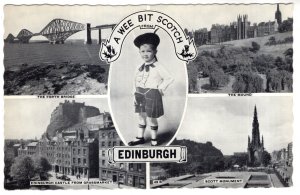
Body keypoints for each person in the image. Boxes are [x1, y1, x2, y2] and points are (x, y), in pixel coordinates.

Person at [128, 32, 174, 146]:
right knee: (141, 116)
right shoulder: (138, 67)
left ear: (155, 52)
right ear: (139, 52)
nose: (145, 54)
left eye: (148, 51)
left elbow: (169, 78)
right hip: (139, 94)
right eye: (142, 51)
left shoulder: (158, 66)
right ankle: (140, 137)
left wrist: (160, 88)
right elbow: (134, 81)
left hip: (152, 94)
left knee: (151, 118)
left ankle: (154, 139)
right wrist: (134, 93)